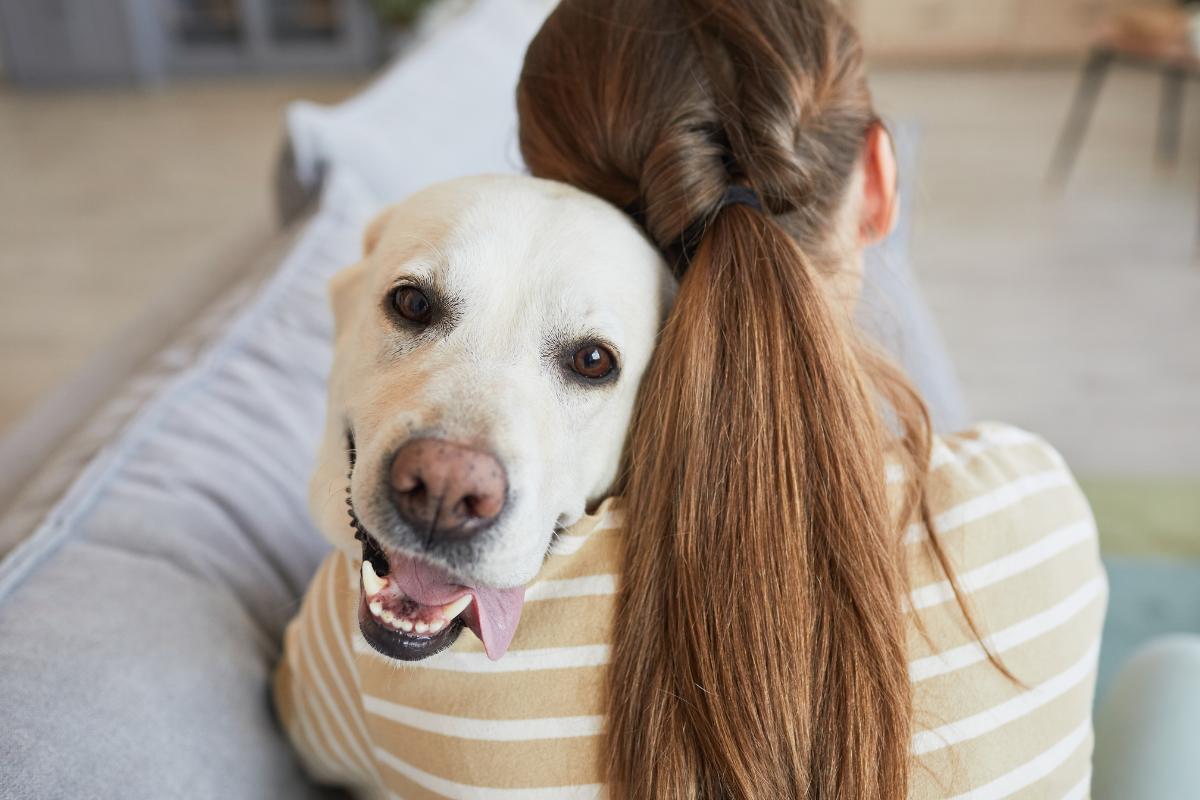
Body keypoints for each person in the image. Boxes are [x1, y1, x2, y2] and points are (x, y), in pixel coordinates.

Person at [277, 1, 1107, 797]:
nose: (446, 481)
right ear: (883, 182)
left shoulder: (372, 649)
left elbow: (309, 741)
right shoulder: (1039, 508)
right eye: (417, 308)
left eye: (591, 360)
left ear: (559, 184)